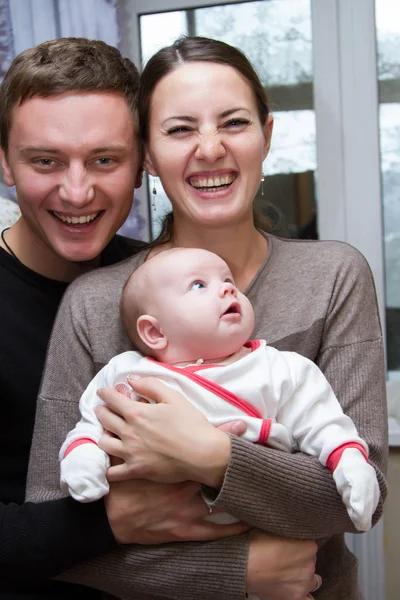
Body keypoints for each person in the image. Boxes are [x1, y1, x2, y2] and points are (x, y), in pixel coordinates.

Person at [25, 35, 386, 600]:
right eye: (180, 128)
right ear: (146, 154)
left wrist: (212, 455)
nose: (211, 148)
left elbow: (361, 498)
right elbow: (50, 536)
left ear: (268, 136)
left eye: (235, 122)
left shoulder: (333, 277)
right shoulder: (96, 301)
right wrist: (235, 570)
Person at [0, 37, 270, 600]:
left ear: (141, 160)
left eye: (105, 159)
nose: (77, 191)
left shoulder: (166, 279)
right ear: (5, 160)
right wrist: (110, 522)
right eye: (45, 160)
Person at [60, 247, 379, 534]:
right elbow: (90, 423)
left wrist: (348, 460)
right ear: (155, 332)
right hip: (160, 535)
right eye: (198, 285)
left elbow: (323, 423)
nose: (228, 288)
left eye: (228, 280)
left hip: (262, 518)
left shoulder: (279, 368)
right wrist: (85, 456)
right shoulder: (129, 373)